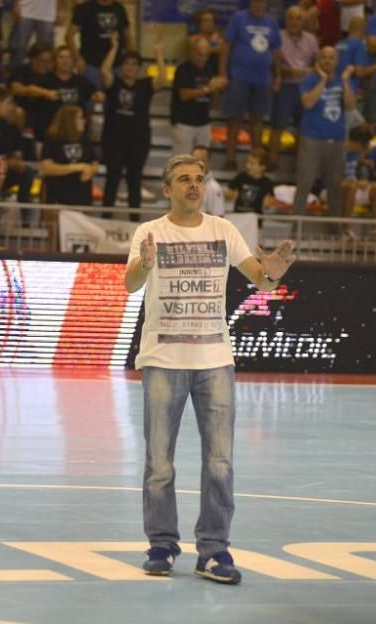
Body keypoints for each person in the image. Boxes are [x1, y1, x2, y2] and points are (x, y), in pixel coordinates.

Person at [124, 153, 295, 583]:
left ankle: (214, 551)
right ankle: (162, 544)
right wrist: (145, 262)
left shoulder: (223, 230)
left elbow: (261, 277)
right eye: (183, 179)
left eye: (199, 179)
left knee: (220, 462)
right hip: (163, 361)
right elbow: (130, 283)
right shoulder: (150, 232)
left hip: (215, 361)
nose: (193, 186)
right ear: (167, 189)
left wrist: (272, 274)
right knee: (160, 463)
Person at [100, 37, 165, 212]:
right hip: (113, 140)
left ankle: (135, 224)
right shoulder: (115, 83)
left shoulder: (145, 85)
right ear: (121, 67)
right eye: (126, 64)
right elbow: (104, 72)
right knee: (112, 178)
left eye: (134, 64)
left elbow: (162, 79)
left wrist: (158, 54)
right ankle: (105, 220)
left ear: (139, 68)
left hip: (138, 140)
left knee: (134, 179)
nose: (130, 67)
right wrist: (114, 48)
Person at [293, 46, 355, 217]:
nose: (327, 60)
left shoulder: (343, 81)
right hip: (312, 138)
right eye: (324, 57)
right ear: (319, 60)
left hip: (336, 139)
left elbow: (350, 105)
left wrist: (345, 82)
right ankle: (296, 227)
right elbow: (308, 103)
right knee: (305, 182)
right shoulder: (309, 80)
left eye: (331, 57)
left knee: (335, 185)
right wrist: (322, 80)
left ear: (337, 61)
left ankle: (335, 230)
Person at [221, 0, 280, 169]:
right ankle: (231, 158)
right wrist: (223, 73)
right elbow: (226, 46)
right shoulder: (238, 18)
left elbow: (276, 51)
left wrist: (278, 75)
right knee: (235, 119)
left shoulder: (272, 23)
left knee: (258, 120)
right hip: (239, 77)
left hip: (262, 80)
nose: (259, 4)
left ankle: (257, 160)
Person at [270, 5, 318, 169]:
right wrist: (289, 72)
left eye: (298, 18)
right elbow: (273, 64)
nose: (294, 22)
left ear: (303, 21)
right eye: (291, 18)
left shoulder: (311, 40)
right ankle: (273, 162)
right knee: (277, 125)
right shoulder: (278, 37)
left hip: (306, 89)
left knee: (303, 128)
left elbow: (317, 64)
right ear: (285, 19)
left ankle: (299, 164)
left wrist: (310, 72)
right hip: (285, 87)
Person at [169, 37, 225, 159]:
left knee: (203, 160)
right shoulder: (183, 69)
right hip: (184, 121)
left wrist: (217, 88)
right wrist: (207, 89)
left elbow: (213, 101)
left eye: (206, 55)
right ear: (192, 52)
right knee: (181, 160)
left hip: (203, 121)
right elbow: (184, 94)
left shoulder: (210, 68)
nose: (203, 58)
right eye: (200, 54)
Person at [40, 104, 98, 206]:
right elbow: (46, 167)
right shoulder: (52, 139)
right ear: (70, 120)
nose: (84, 121)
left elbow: (94, 163)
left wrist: (91, 171)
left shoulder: (85, 139)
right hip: (57, 196)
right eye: (80, 118)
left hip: (82, 197)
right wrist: (76, 167)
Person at [66, 0, 132, 89]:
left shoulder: (119, 8)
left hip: (116, 65)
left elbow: (127, 35)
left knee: (115, 100)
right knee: (92, 98)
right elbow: (69, 36)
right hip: (91, 65)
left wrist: (130, 59)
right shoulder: (84, 9)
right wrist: (78, 59)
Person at [341, 124, 376, 219]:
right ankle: (345, 229)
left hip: (354, 185)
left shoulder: (357, 155)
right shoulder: (338, 152)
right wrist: (356, 183)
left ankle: (375, 231)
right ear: (359, 144)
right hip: (336, 188)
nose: (366, 150)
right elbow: (332, 178)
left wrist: (362, 181)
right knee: (351, 187)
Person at [8, 0, 55, 68]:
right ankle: (15, 74)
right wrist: (15, 4)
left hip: (47, 13)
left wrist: (60, 8)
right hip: (25, 11)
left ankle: (44, 76)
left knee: (46, 51)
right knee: (19, 48)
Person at [226, 147, 273, 213]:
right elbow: (228, 194)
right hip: (238, 216)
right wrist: (231, 195)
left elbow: (270, 203)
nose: (248, 166)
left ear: (262, 167)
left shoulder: (267, 183)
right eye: (247, 162)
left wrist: (268, 203)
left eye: (252, 163)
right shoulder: (241, 177)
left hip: (255, 219)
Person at [191, 145, 225, 216]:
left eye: (202, 160)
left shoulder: (214, 188)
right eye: (195, 160)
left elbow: (219, 218)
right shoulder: (187, 184)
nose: (198, 164)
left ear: (209, 162)